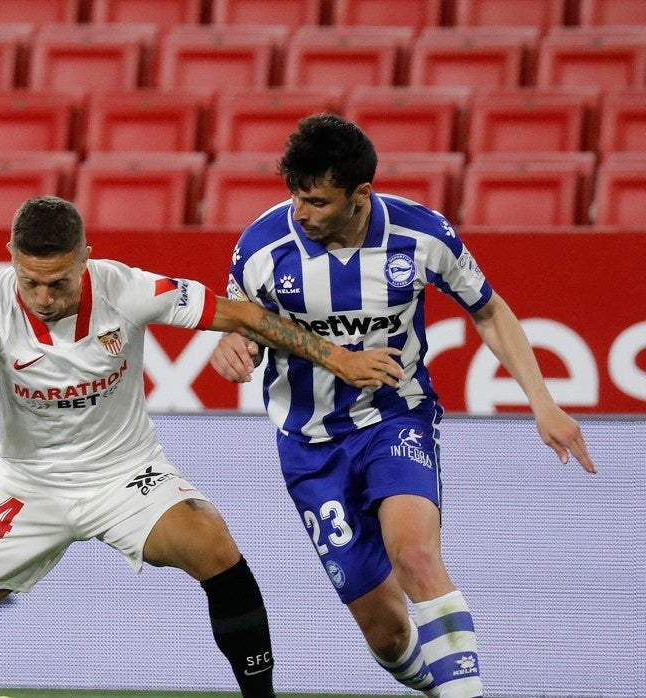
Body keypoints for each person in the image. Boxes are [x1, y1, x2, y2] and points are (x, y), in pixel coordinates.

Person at [0, 195, 406, 698]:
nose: (45, 297)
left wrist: (338, 358)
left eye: (60, 282)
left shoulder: (127, 289)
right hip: (26, 486)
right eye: (31, 282)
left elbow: (243, 315)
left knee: (215, 546)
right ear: (11, 258)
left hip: (126, 474)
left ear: (86, 259)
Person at [210, 114, 597, 697]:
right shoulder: (262, 247)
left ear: (360, 194)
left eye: (316, 200)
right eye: (294, 194)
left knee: (415, 554)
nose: (300, 211)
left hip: (396, 416)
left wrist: (542, 401)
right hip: (309, 444)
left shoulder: (423, 236)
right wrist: (232, 343)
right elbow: (243, 322)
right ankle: (434, 683)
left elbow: (489, 310)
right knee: (387, 636)